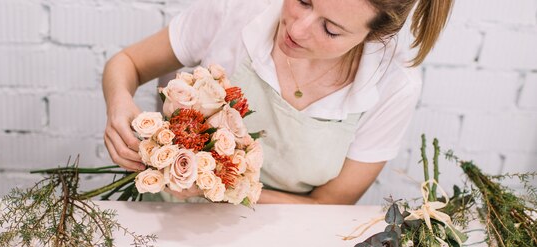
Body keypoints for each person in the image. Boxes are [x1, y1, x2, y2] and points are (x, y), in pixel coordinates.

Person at [102, 0, 454, 204]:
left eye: (330, 30)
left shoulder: (393, 86)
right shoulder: (237, 10)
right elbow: (127, 63)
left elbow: (328, 206)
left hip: (283, 242)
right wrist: (119, 104)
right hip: (168, 223)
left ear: (375, 34)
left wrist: (224, 188)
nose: (298, 29)